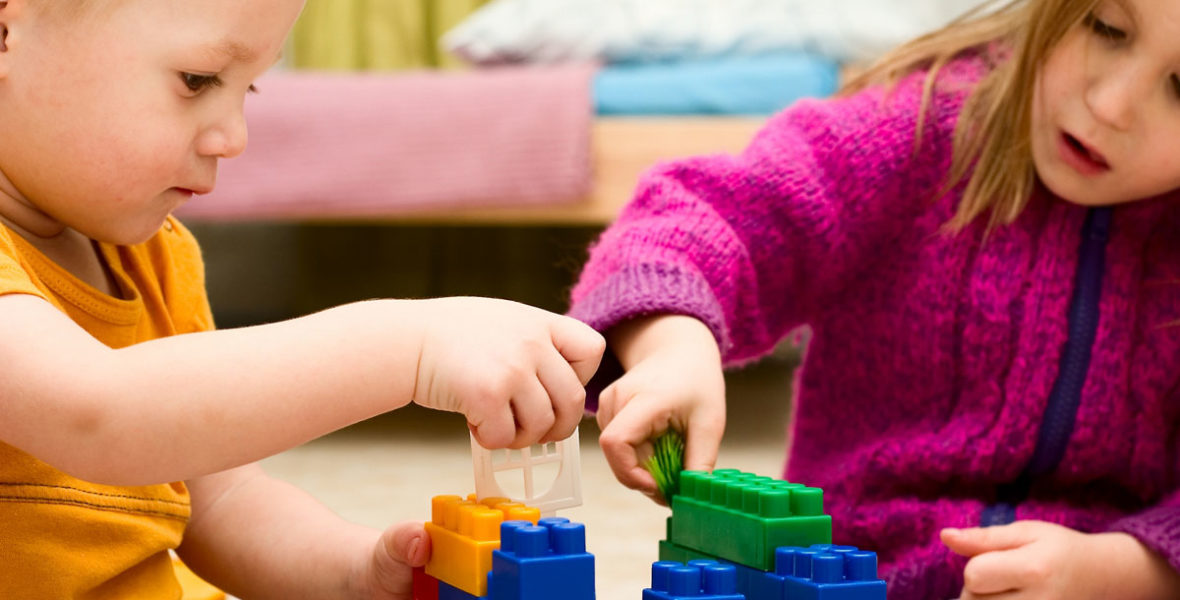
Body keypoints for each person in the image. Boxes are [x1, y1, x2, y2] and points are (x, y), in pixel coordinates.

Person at [569, 0, 1180, 597]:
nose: (1112, 105)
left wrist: (1131, 571)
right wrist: (671, 346)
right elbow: (697, 221)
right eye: (1106, 27)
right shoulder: (913, 133)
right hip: (848, 572)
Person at [0, 0, 606, 598]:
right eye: (199, 79)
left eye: (249, 90)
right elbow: (98, 414)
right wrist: (410, 345)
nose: (233, 138)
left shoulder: (157, 257)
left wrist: (351, 573)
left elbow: (221, 503)